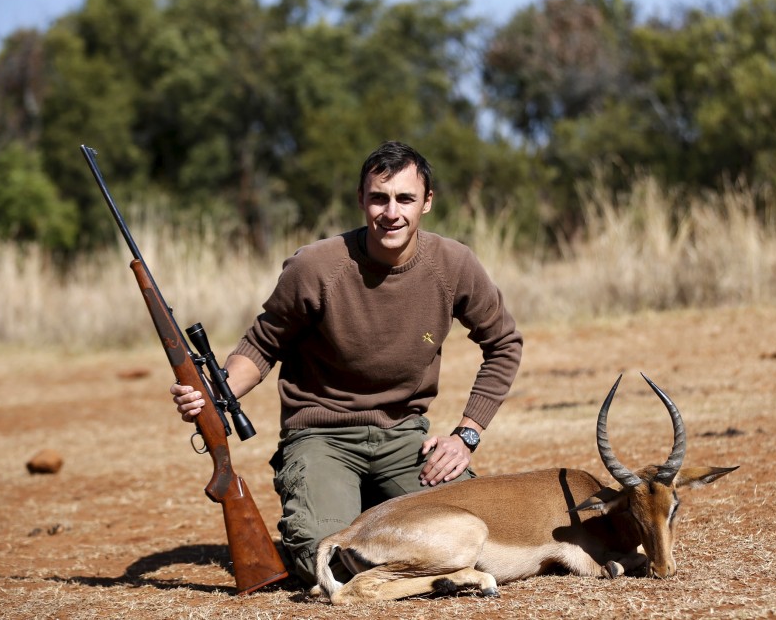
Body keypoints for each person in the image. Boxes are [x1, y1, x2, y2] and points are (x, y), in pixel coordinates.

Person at [170, 141, 523, 584]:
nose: (391, 212)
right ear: (361, 199)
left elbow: (504, 343)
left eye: (405, 199)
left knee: (480, 537)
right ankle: (360, 521)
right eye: (379, 197)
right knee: (327, 562)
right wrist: (214, 398)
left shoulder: (454, 265)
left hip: (403, 436)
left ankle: (380, 519)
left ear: (427, 202)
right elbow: (263, 344)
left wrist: (466, 434)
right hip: (322, 437)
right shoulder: (316, 266)